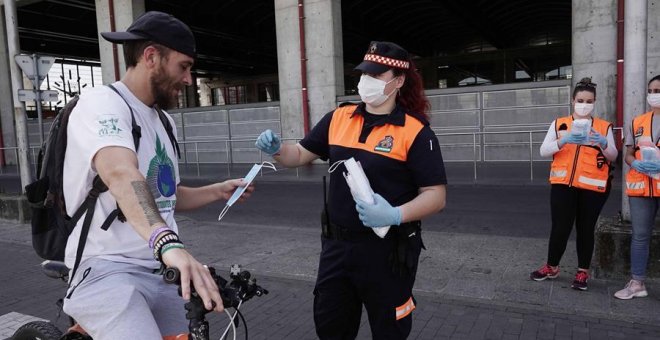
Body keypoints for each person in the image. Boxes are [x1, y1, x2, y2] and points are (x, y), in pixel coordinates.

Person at [61, 11, 253, 339]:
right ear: (151, 56)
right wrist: (167, 243)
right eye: (184, 66)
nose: (189, 79)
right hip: (107, 268)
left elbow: (165, 196)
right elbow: (122, 175)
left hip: (160, 270)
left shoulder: (163, 121)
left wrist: (219, 190)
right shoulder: (102, 104)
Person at [256, 41, 446, 339]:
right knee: (332, 328)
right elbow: (299, 155)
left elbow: (436, 196)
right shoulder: (339, 118)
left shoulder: (416, 132)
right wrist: (278, 149)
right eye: (364, 74)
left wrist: (395, 213)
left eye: (376, 75)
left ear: (398, 81)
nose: (365, 81)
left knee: (390, 331)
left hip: (388, 254)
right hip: (337, 249)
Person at [530, 77, 617, 291]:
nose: (584, 105)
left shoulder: (603, 127)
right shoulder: (560, 123)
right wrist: (564, 139)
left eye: (589, 101)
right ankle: (552, 267)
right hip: (563, 185)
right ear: (573, 100)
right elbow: (543, 151)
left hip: (592, 188)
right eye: (581, 100)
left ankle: (582, 272)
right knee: (560, 227)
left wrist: (604, 143)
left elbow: (613, 155)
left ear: (594, 102)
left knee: (585, 229)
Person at [614, 74, 660, 300]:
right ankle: (637, 283)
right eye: (651, 91)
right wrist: (636, 163)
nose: (654, 94)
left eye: (658, 90)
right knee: (640, 235)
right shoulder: (638, 122)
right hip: (642, 186)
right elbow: (628, 153)